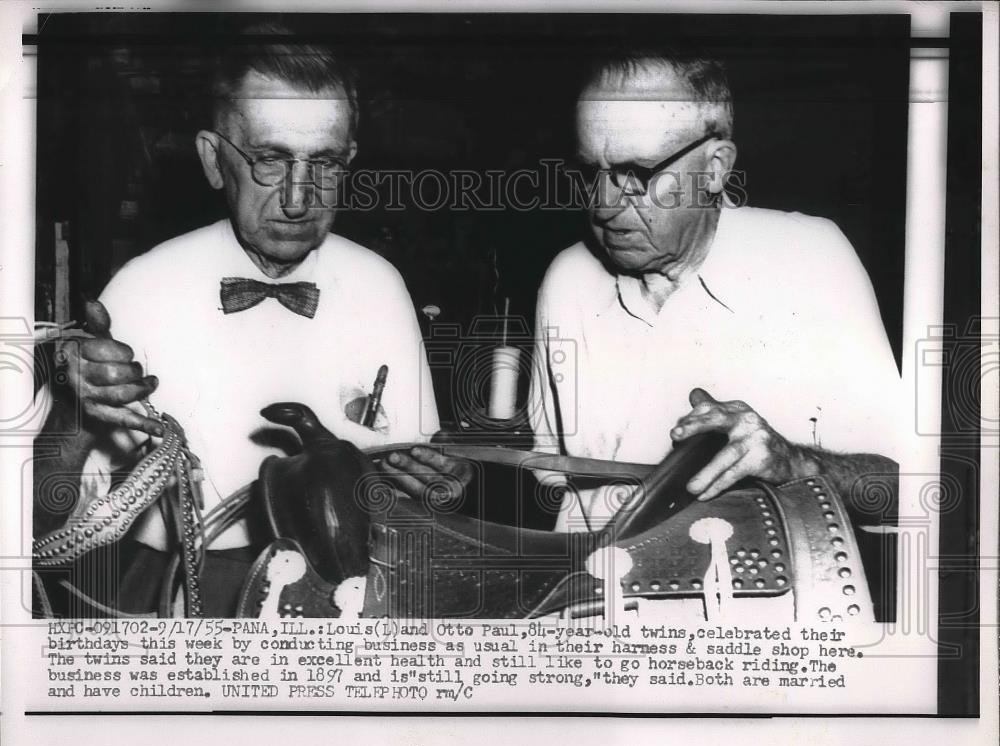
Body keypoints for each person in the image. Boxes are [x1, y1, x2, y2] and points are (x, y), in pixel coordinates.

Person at [34, 27, 469, 615]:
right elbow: (35, 519)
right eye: (270, 160)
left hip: (348, 594)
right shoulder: (139, 287)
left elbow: (421, 498)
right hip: (177, 593)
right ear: (214, 161)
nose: (298, 198)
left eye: (324, 163)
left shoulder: (382, 285)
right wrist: (72, 412)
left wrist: (441, 484)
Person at [528, 52, 901, 531]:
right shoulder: (568, 279)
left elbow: (902, 488)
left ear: (715, 167)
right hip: (592, 597)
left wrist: (794, 465)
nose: (602, 205)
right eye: (588, 173)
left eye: (638, 174)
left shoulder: (809, 259)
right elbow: (551, 483)